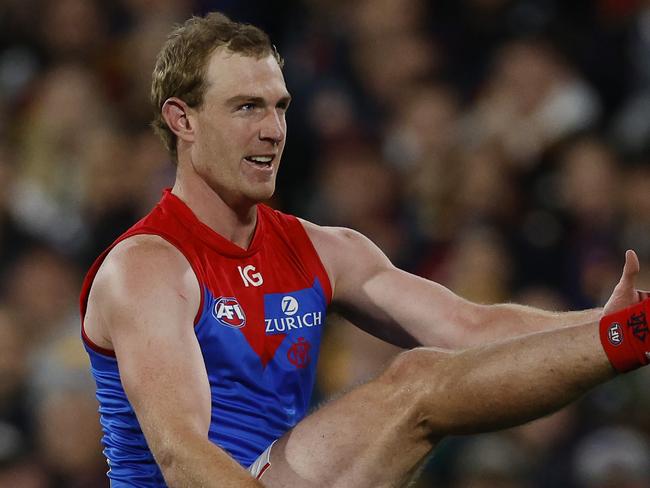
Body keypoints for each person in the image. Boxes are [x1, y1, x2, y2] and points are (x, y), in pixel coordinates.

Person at [79, 12, 650, 487]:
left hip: (273, 474)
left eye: (280, 106)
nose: (274, 129)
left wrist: (598, 325)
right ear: (183, 120)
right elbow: (181, 455)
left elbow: (471, 329)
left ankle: (636, 332)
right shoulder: (146, 267)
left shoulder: (322, 249)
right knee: (416, 384)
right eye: (246, 107)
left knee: (425, 375)